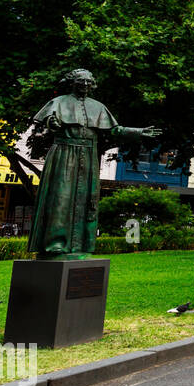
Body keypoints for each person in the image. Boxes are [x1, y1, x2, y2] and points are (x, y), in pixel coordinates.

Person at [27, 69, 161, 259]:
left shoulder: (97, 106)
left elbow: (114, 130)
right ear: (72, 82)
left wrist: (138, 132)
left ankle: (81, 244)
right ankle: (55, 244)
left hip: (89, 155)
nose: (85, 85)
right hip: (65, 153)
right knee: (61, 199)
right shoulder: (59, 102)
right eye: (81, 81)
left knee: (87, 201)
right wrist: (53, 123)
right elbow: (50, 119)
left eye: (89, 82)